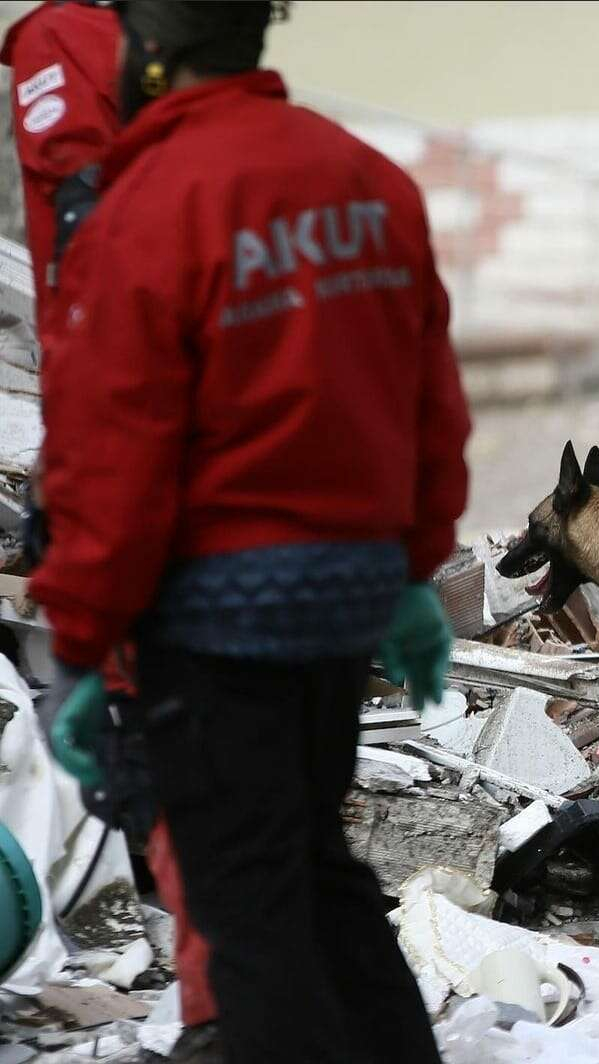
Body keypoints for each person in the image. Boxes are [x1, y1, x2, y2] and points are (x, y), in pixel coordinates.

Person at [30, 3, 470, 1062]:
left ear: (145, 50)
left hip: (217, 613)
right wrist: (411, 573)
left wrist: (85, 640)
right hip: (344, 600)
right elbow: (430, 406)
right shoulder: (367, 179)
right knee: (315, 864)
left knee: (248, 910)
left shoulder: (145, 206)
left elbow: (113, 453)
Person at [0, 6, 220, 1060]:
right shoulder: (103, 42)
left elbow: (93, 217)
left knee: (143, 722)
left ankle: (215, 997)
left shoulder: (62, 39)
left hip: (129, 430)